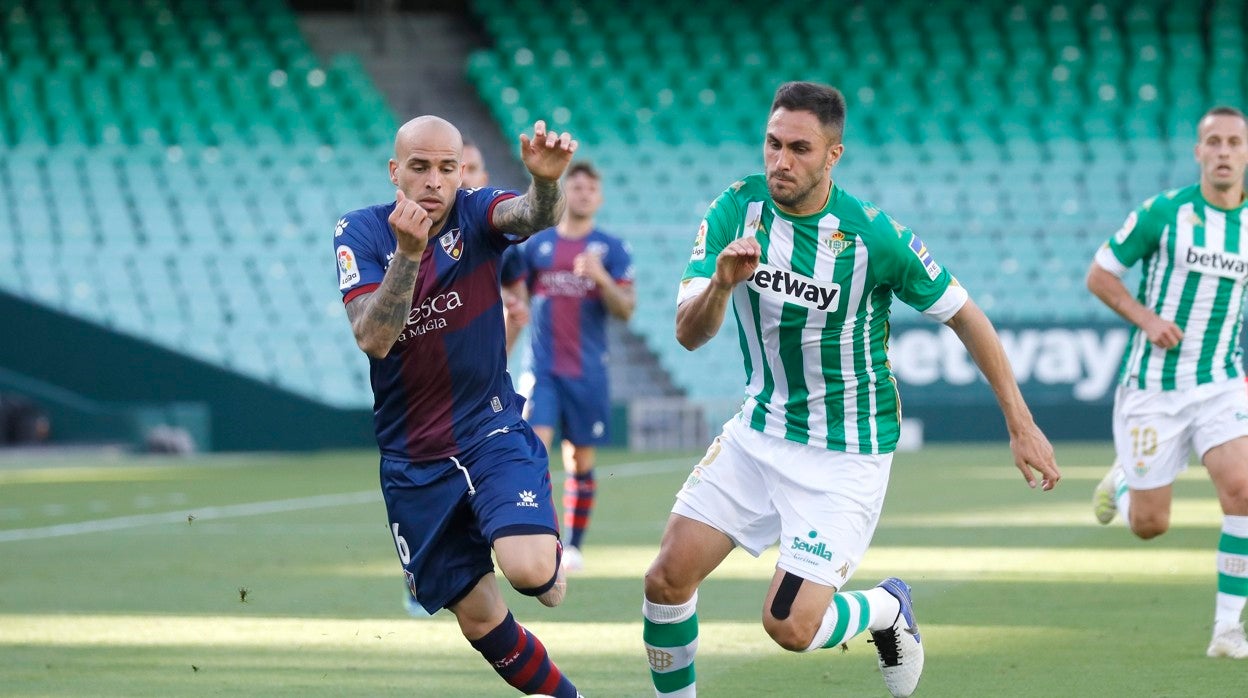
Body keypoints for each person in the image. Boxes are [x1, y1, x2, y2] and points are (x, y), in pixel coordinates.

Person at [640, 81, 1061, 698]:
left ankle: (888, 609)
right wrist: (723, 285)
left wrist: (1020, 423)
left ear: (832, 155)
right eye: (772, 144)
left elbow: (967, 315)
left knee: (788, 625)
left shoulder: (874, 237)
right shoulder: (735, 209)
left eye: (800, 149)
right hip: (758, 431)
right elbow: (687, 333)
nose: (781, 162)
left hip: (844, 453)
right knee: (665, 580)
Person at [335, 115, 584, 697]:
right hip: (412, 459)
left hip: (487, 430)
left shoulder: (476, 212)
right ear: (395, 171)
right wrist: (409, 253)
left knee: (532, 576)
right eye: (419, 167)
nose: (433, 180)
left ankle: (537, 553)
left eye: (447, 168)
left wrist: (545, 184)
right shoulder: (361, 232)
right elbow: (374, 338)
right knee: (478, 619)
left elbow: (529, 214)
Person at [1088, 106, 1248, 660]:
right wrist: (1147, 319)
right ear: (1199, 152)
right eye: (1214, 142)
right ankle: (1128, 483)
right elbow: (1100, 274)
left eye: (1234, 142)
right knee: (1150, 526)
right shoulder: (1165, 213)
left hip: (1222, 382)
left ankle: (1228, 630)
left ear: (1245, 153)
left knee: (1243, 491)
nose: (1224, 151)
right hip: (1154, 384)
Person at [500, 161, 636, 572]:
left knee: (579, 461)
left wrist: (601, 278)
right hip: (542, 371)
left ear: (599, 197)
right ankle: (542, 539)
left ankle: (573, 546)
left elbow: (627, 309)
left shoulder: (611, 249)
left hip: (587, 371)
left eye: (589, 188)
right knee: (534, 451)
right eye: (574, 186)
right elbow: (516, 297)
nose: (582, 193)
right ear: (564, 194)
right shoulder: (536, 247)